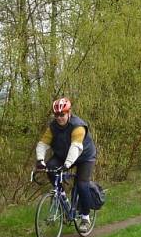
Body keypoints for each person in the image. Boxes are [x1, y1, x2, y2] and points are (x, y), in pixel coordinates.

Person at [35, 97, 97, 228]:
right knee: (51, 167)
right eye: (56, 115)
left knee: (81, 184)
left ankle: (85, 217)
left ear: (69, 113)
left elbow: (76, 147)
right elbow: (42, 144)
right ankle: (61, 196)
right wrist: (40, 161)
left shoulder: (78, 126)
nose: (59, 118)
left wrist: (67, 164)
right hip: (63, 154)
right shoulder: (53, 127)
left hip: (84, 156)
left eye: (62, 114)